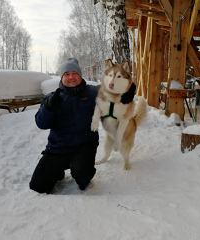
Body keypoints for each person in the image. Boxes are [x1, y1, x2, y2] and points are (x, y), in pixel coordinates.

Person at [29, 57, 136, 194]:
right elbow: (41, 123)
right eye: (67, 74)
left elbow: (116, 87)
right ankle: (58, 170)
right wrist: (48, 107)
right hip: (58, 148)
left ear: (80, 76)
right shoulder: (52, 97)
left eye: (75, 74)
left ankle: (79, 168)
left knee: (83, 178)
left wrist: (130, 91)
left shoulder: (92, 93)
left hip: (84, 146)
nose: (71, 77)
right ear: (61, 78)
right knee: (38, 186)